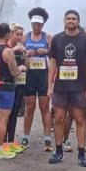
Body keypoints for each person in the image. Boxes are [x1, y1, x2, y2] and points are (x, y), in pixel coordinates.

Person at [47, 9, 86, 166]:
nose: (71, 21)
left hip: (80, 86)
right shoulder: (57, 39)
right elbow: (53, 61)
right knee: (59, 119)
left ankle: (81, 154)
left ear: (78, 21)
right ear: (64, 21)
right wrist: (50, 85)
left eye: (74, 18)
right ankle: (58, 151)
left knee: (80, 119)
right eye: (68, 18)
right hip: (61, 86)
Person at [0, 23, 26, 159]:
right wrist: (21, 68)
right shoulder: (7, 51)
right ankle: (0, 148)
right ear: (7, 35)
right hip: (6, 87)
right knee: (3, 120)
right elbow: (14, 71)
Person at [22, 8, 53, 152]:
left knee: (44, 107)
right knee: (29, 106)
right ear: (31, 24)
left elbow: (54, 56)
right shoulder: (25, 36)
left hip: (43, 75)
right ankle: (26, 136)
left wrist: (46, 51)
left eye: (39, 25)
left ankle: (47, 137)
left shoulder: (48, 37)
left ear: (43, 25)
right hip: (29, 75)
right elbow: (19, 54)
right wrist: (26, 53)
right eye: (34, 24)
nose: (36, 27)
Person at [5, 24, 28, 146]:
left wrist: (26, 54)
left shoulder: (22, 48)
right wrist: (14, 50)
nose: (19, 37)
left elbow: (27, 66)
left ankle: (11, 141)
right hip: (8, 84)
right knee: (5, 114)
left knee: (14, 113)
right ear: (11, 34)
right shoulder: (7, 47)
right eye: (17, 34)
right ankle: (2, 142)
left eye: (21, 35)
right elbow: (3, 61)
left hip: (20, 83)